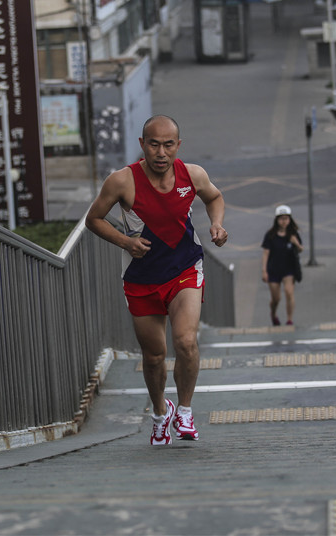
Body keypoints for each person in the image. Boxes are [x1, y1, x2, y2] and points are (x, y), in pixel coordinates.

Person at [85, 115, 228, 446]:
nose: (161, 153)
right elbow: (94, 219)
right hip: (142, 278)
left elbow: (214, 198)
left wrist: (217, 224)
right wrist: (126, 242)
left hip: (184, 269)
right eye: (153, 145)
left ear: (178, 145)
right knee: (153, 356)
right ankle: (161, 413)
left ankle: (185, 411)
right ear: (142, 145)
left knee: (186, 342)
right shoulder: (122, 181)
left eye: (168, 145)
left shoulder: (192, 174)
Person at [261, 205, 303, 326]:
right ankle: (273, 314)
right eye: (281, 218)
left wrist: (296, 243)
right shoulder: (270, 235)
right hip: (273, 269)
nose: (284, 221)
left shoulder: (293, 234)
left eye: (286, 218)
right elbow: (266, 253)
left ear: (290, 220)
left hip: (289, 269)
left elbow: (300, 249)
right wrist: (264, 271)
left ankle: (289, 320)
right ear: (277, 220)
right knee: (276, 298)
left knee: (289, 293)